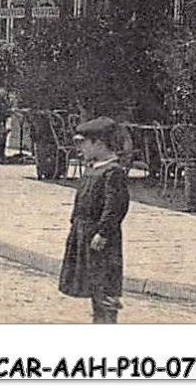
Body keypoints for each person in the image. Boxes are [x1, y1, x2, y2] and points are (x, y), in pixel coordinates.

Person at [59, 116, 131, 323]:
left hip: (100, 239)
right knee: (91, 284)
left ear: (99, 144)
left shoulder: (112, 172)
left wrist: (103, 232)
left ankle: (106, 323)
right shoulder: (93, 168)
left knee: (104, 285)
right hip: (84, 234)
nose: (80, 149)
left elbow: (115, 206)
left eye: (83, 144)